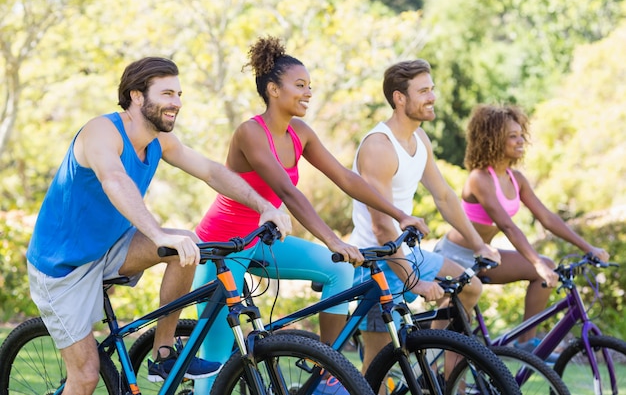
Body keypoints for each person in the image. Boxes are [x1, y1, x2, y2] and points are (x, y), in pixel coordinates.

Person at [25, 57, 292, 395]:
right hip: (62, 266)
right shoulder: (101, 132)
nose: (177, 102)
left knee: (187, 245)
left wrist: (264, 206)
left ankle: (163, 353)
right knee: (86, 377)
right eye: (167, 93)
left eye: (179, 94)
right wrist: (157, 233)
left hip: (109, 248)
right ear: (137, 96)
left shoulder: (159, 140)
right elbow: (114, 180)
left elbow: (211, 171)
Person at [191, 36, 430, 394]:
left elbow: (346, 178)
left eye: (309, 86)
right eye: (300, 85)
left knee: (339, 267)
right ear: (273, 89)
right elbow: (288, 193)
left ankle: (327, 362)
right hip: (223, 247)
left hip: (262, 241)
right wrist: (332, 239)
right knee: (216, 360)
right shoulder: (250, 133)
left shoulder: (300, 133)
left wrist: (399, 214)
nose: (308, 92)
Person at [349, 59, 500, 379]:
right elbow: (381, 227)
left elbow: (444, 196)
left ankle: (444, 374)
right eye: (423, 91)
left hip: (409, 252)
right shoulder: (379, 146)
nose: (432, 97)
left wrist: (478, 244)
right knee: (375, 369)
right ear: (399, 98)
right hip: (377, 262)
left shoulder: (420, 141)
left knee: (469, 287)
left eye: (432, 89)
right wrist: (413, 282)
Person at [434, 103, 609, 353]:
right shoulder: (479, 178)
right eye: (512, 136)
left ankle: (525, 342)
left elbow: (547, 218)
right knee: (455, 339)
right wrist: (535, 261)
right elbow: (507, 225)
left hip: (484, 257)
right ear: (493, 140)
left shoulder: (516, 179)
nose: (521, 141)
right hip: (454, 256)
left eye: (521, 135)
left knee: (546, 267)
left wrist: (588, 247)